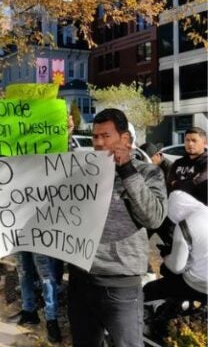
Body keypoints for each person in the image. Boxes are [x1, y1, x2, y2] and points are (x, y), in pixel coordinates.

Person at [68, 108, 166, 347]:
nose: (99, 143)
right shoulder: (84, 171)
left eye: (106, 136)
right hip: (80, 281)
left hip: (120, 286)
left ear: (124, 138)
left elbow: (154, 218)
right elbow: (39, 176)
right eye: (95, 137)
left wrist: (127, 170)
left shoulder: (148, 172)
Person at [167, 126, 207, 205]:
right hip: (176, 208)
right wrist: (190, 183)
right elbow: (169, 184)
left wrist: (176, 183)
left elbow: (198, 184)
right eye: (187, 140)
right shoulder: (178, 162)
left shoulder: (206, 161)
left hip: (200, 209)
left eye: (194, 140)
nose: (190, 143)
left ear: (204, 142)